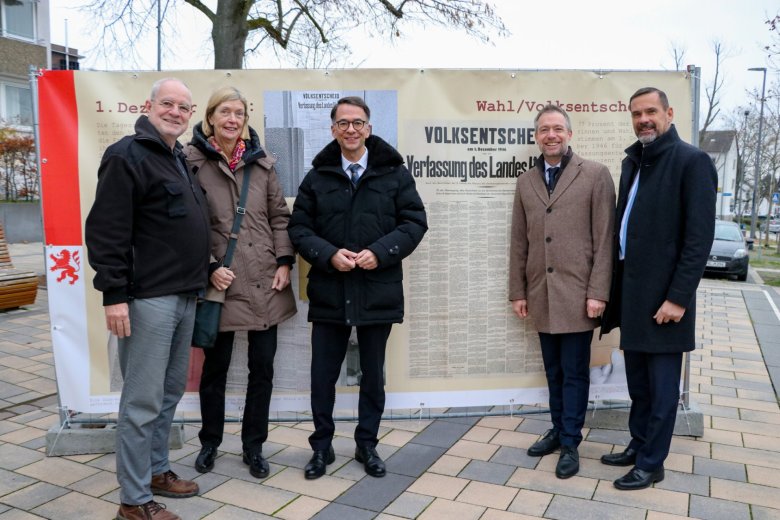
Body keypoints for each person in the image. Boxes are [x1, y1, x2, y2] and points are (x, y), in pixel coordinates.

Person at [85, 78, 209, 520]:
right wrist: (114, 295)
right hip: (146, 299)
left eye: (183, 107)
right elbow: (106, 230)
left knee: (170, 391)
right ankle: (134, 502)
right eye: (168, 104)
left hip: (184, 295)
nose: (176, 112)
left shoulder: (178, 158)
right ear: (150, 105)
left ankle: (157, 472)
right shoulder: (127, 155)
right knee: (141, 401)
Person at [288, 96, 427, 479]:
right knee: (322, 378)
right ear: (333, 129)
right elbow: (299, 228)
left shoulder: (394, 174)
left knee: (372, 375)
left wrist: (381, 253)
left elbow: (414, 222)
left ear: (369, 128)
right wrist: (328, 254)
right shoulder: (317, 177)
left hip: (376, 288)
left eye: (358, 122)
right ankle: (321, 448)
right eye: (343, 123)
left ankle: (367, 445)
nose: (351, 129)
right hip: (330, 290)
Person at [600, 87, 716, 490]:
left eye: (650, 111)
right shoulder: (634, 161)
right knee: (640, 385)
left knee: (663, 389)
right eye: (636, 113)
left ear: (668, 112)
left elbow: (698, 240)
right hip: (633, 297)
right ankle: (639, 444)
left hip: (666, 300)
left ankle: (652, 463)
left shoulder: (692, 162)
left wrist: (678, 298)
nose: (643, 119)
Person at [184, 86, 297, 480]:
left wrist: (285, 261)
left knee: (261, 370)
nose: (233, 119)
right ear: (210, 117)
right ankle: (210, 442)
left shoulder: (262, 162)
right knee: (214, 370)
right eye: (225, 112)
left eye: (239, 113)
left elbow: (279, 217)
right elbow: (185, 224)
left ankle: (254, 446)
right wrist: (209, 266)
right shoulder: (190, 161)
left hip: (266, 280)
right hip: (220, 282)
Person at [509, 104, 615, 479]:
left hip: (578, 294)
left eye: (557, 129)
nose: (550, 135)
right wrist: (518, 291)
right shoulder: (526, 181)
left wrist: (598, 291)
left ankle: (571, 441)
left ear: (569, 134)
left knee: (574, 373)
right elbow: (518, 242)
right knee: (553, 371)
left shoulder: (596, 175)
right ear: (536, 137)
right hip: (540, 293)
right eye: (543, 130)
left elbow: (605, 241)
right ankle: (558, 429)